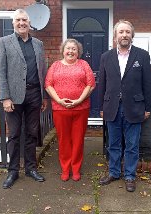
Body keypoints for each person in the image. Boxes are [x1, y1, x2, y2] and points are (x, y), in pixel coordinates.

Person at [98, 20, 151, 192]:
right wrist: (101, 107)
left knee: (131, 145)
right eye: (121, 32)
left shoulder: (142, 55)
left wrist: (148, 108)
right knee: (113, 144)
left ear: (132, 35)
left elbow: (147, 84)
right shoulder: (106, 57)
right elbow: (102, 84)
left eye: (127, 32)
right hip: (112, 107)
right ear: (115, 36)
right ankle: (114, 172)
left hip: (134, 107)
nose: (124, 35)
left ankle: (129, 175)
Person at [0, 8, 48, 189]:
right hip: (14, 97)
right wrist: (5, 98)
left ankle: (31, 168)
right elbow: (1, 72)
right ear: (13, 23)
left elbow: (43, 71)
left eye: (24, 20)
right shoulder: (4, 42)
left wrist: (44, 96)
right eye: (18, 20)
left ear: (29, 23)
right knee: (14, 134)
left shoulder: (38, 44)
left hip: (34, 94)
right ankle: (13, 171)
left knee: (32, 133)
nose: (21, 23)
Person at [45, 38, 95, 182]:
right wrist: (59, 100)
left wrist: (79, 100)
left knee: (78, 140)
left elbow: (90, 84)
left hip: (81, 109)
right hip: (60, 109)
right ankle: (66, 169)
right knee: (64, 140)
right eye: (68, 48)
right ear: (63, 51)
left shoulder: (84, 64)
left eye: (74, 49)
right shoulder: (55, 66)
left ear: (78, 52)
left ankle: (76, 168)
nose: (71, 51)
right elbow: (48, 85)